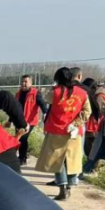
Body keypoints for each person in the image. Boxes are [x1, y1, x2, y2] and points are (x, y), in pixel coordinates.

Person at [35, 67, 91, 201]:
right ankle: (69, 188)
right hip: (74, 132)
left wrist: (54, 88)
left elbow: (46, 100)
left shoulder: (55, 92)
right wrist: (76, 123)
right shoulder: (82, 93)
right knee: (71, 160)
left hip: (57, 131)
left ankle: (62, 190)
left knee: (57, 161)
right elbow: (87, 112)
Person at [16, 75, 49, 165]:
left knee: (23, 137)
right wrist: (10, 120)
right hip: (19, 120)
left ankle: (22, 158)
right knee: (19, 139)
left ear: (31, 83)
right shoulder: (18, 94)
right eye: (22, 81)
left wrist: (45, 113)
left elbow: (42, 104)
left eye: (26, 82)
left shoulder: (35, 93)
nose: (23, 84)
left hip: (30, 121)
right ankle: (23, 156)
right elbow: (14, 108)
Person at [83, 81, 105, 175]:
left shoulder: (99, 95)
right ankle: (92, 169)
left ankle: (93, 170)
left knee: (92, 149)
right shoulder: (98, 94)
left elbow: (102, 111)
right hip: (92, 124)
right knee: (90, 148)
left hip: (94, 125)